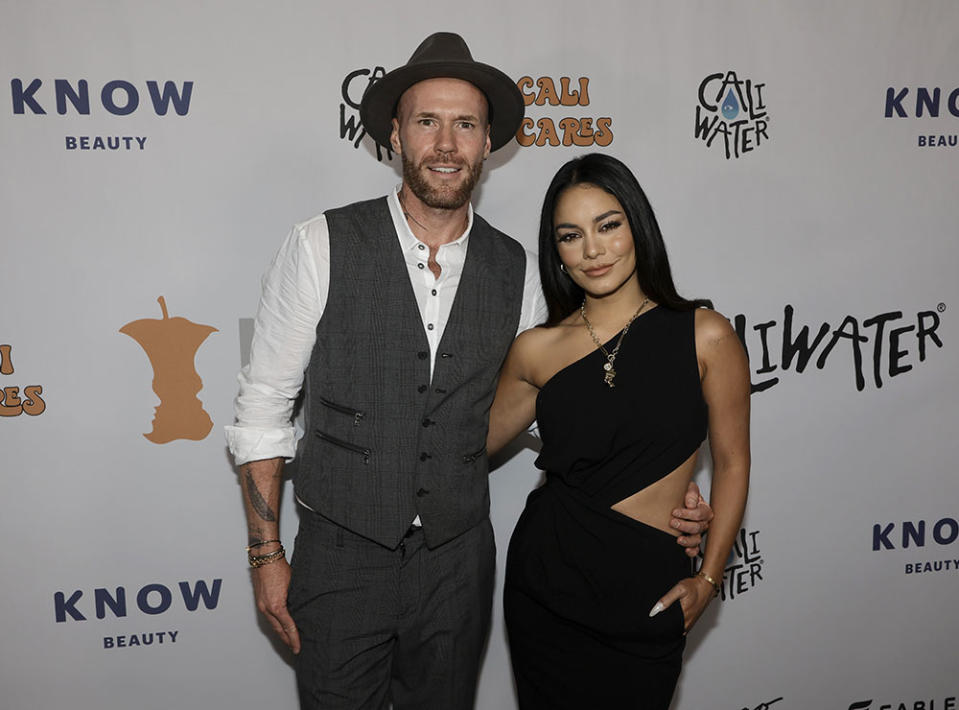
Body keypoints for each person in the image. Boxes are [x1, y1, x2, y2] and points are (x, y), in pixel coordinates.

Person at [226, 34, 713, 710]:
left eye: (465, 124)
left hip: (458, 566)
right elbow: (263, 410)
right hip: (339, 557)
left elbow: (565, 412)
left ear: (489, 143)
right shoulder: (319, 244)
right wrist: (265, 554)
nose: (446, 143)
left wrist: (664, 489)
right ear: (394, 134)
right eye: (427, 121)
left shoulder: (519, 269)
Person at [488, 153, 750, 709]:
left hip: (648, 583)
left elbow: (732, 463)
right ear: (555, 253)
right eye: (570, 235)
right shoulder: (536, 349)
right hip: (547, 581)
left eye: (608, 225)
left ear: (637, 227)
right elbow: (468, 446)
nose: (592, 250)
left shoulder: (706, 336)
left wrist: (708, 578)